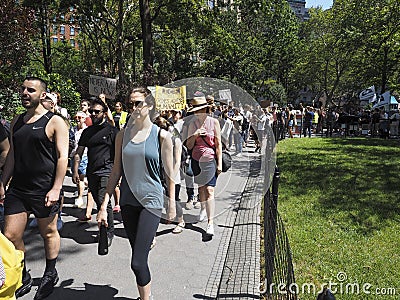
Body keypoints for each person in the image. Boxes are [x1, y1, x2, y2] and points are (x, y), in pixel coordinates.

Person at [97, 87, 176, 300]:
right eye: (130, 103)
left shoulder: (162, 136)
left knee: (137, 262)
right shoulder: (122, 135)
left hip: (151, 200)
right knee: (139, 254)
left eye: (138, 103)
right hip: (128, 201)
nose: (133, 108)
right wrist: (104, 206)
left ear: (149, 105)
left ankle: (146, 298)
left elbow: (170, 173)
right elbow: (115, 171)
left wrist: (172, 204)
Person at [1, 76, 69, 299]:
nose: (25, 93)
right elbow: (12, 155)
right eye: (23, 89)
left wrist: (57, 188)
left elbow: (62, 157)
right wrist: (2, 182)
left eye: (30, 90)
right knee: (11, 235)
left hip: (44, 189)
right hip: (19, 189)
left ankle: (50, 273)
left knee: (48, 232)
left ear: (42, 95)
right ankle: (23, 274)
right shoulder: (16, 121)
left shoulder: (54, 121)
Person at [72, 98, 119, 245]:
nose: (93, 114)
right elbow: (79, 152)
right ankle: (103, 223)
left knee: (103, 199)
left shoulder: (112, 131)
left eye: (96, 111)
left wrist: (119, 174)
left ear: (104, 114)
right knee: (99, 201)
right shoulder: (87, 132)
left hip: (107, 171)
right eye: (91, 111)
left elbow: (118, 154)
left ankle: (108, 231)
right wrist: (75, 170)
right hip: (91, 171)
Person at [186, 93, 222, 236]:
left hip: (210, 160)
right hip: (196, 160)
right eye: (195, 110)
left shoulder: (214, 123)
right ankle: (202, 209)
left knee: (209, 191)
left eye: (200, 110)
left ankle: (210, 223)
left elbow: (218, 145)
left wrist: (219, 164)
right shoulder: (192, 124)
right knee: (201, 189)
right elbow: (189, 146)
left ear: (206, 109)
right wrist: (194, 135)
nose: (198, 112)